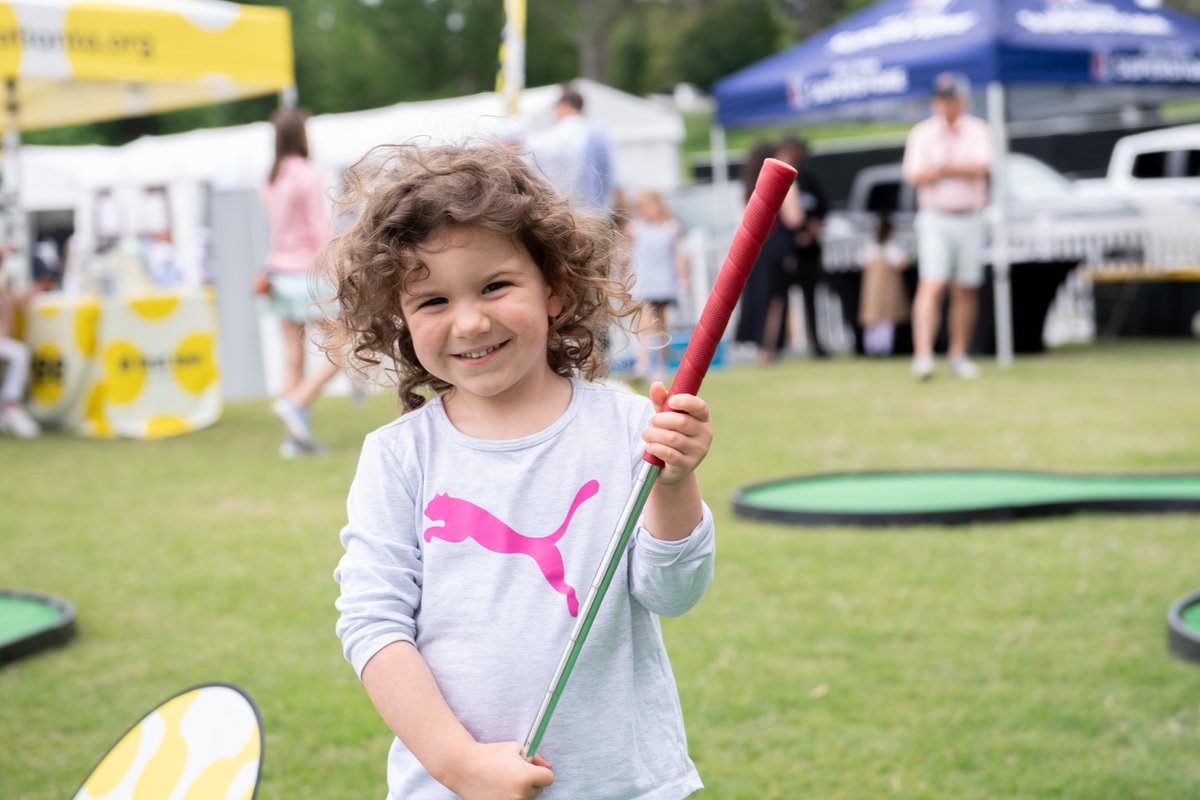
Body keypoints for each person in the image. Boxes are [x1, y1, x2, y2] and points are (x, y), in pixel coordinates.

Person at [323, 144, 715, 800]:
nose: (470, 320)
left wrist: (674, 484)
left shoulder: (625, 430)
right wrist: (461, 766)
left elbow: (672, 595)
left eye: (495, 285)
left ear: (554, 287)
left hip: (616, 783)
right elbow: (373, 624)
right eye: (432, 301)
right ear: (398, 317)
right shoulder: (399, 458)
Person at [258, 107, 342, 456]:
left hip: (277, 272)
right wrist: (336, 264)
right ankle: (297, 404)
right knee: (342, 348)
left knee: (293, 356)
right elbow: (316, 229)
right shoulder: (309, 174)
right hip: (306, 274)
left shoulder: (270, 178)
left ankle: (293, 439)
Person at [901, 72, 993, 380]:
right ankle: (924, 355)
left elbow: (982, 165)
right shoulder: (923, 133)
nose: (946, 105)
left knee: (966, 287)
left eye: (951, 98)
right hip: (935, 217)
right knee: (933, 283)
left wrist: (944, 168)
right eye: (941, 99)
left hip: (969, 215)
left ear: (962, 100)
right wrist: (945, 171)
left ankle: (958, 355)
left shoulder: (978, 129)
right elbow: (914, 174)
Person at [626, 189, 689, 384]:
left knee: (662, 325)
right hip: (644, 283)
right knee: (644, 324)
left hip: (664, 282)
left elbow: (677, 255)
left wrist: (683, 277)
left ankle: (660, 366)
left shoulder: (671, 228)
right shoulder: (635, 228)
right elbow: (628, 255)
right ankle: (642, 365)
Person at [527, 85, 615, 212]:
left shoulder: (557, 134)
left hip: (564, 211)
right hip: (598, 213)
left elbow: (529, 153)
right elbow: (614, 177)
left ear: (563, 104)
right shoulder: (599, 132)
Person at [858, 214, 911, 357]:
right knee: (883, 321)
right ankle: (880, 350)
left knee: (878, 321)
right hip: (885, 290)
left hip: (875, 291)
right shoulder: (891, 247)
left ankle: (875, 349)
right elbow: (902, 263)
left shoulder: (871, 246)